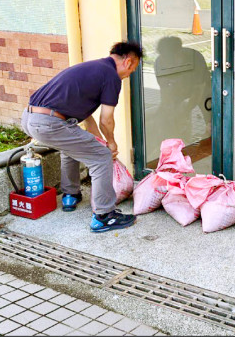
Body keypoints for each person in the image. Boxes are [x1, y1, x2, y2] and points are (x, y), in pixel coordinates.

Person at [20, 42, 143, 233]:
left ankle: (70, 195)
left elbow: (88, 120)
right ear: (128, 62)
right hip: (50, 122)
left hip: (30, 118)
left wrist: (100, 140)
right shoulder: (111, 76)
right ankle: (104, 216)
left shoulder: (93, 69)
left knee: (73, 148)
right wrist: (110, 144)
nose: (129, 75)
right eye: (132, 70)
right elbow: (106, 119)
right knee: (101, 158)